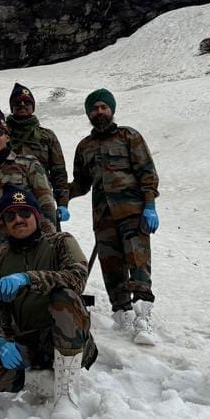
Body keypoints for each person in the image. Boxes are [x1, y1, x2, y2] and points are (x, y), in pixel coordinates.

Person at [0, 186, 95, 419]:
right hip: (27, 342)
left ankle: (67, 394)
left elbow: (76, 277)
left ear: (36, 215)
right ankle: (47, 383)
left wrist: (28, 278)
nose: (18, 219)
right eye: (10, 215)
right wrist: (0, 342)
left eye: (25, 213)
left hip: (68, 338)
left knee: (64, 298)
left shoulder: (60, 242)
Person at [68, 88, 160, 344]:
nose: (99, 112)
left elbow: (146, 173)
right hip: (103, 216)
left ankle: (143, 318)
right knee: (112, 266)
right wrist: (56, 196)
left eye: (103, 107)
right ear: (88, 113)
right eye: (94, 108)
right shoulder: (84, 147)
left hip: (132, 211)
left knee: (138, 261)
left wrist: (150, 205)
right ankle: (123, 313)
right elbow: (81, 183)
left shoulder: (129, 136)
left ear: (111, 109)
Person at [0, 106, 56, 247]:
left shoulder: (28, 164)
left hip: (31, 245)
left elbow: (46, 204)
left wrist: (47, 243)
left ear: (7, 136)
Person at [6, 84, 71, 218]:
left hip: (41, 202)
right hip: (8, 203)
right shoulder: (1, 135)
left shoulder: (47, 136)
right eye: (17, 102)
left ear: (33, 107)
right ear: (12, 107)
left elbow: (58, 172)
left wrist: (62, 203)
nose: (22, 105)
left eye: (27, 102)